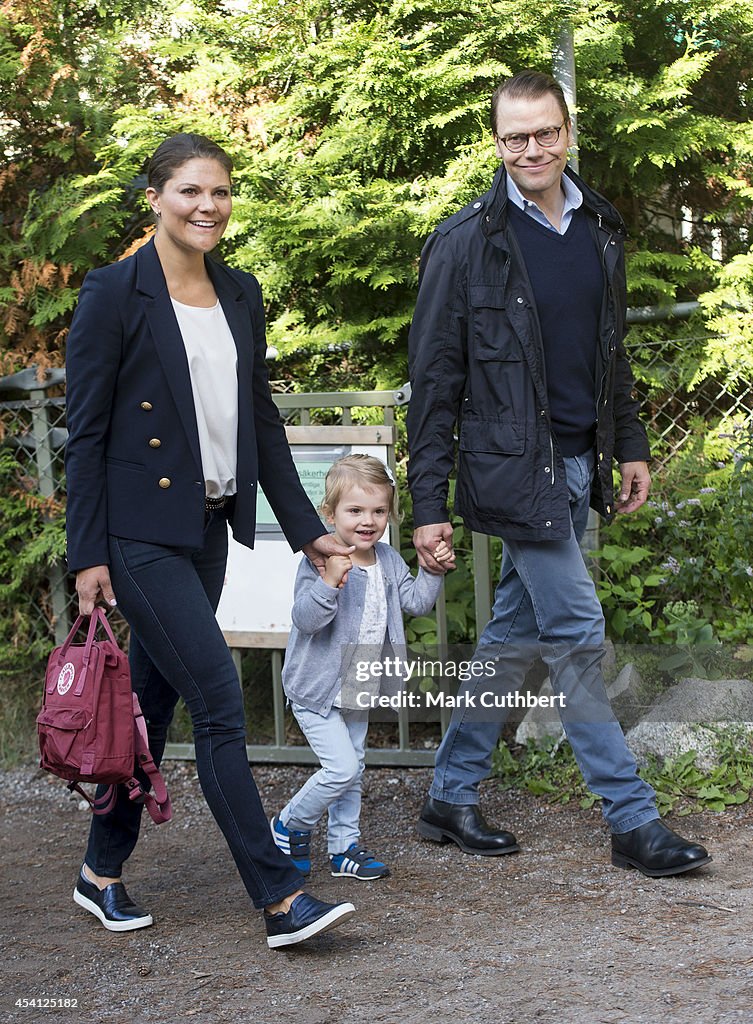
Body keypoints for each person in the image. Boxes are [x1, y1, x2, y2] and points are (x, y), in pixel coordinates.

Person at [406, 71, 711, 878]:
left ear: (566, 133)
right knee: (576, 633)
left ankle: (448, 795)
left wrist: (631, 443)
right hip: (516, 476)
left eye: (543, 133)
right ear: (497, 143)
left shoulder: (598, 226)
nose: (530, 149)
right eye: (514, 137)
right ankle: (631, 820)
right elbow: (434, 383)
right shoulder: (465, 242)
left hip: (581, 464)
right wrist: (425, 505)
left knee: (513, 633)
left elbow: (609, 355)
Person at [64, 132, 358, 948]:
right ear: (154, 196)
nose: (208, 207)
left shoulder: (240, 292)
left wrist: (307, 532)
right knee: (220, 706)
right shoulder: (113, 293)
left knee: (153, 707)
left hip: (208, 533)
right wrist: (86, 553)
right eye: (191, 191)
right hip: (138, 535)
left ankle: (99, 872)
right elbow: (84, 436)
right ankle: (279, 898)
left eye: (221, 192)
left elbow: (258, 418)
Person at [271, 455, 451, 879]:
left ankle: (343, 848)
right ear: (329, 514)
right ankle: (288, 824)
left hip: (358, 686)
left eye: (378, 511)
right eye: (355, 511)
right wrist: (330, 582)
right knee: (342, 768)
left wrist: (433, 569)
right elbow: (305, 620)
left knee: (354, 767)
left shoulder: (387, 560)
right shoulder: (318, 561)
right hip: (316, 689)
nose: (367, 521)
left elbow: (415, 602)